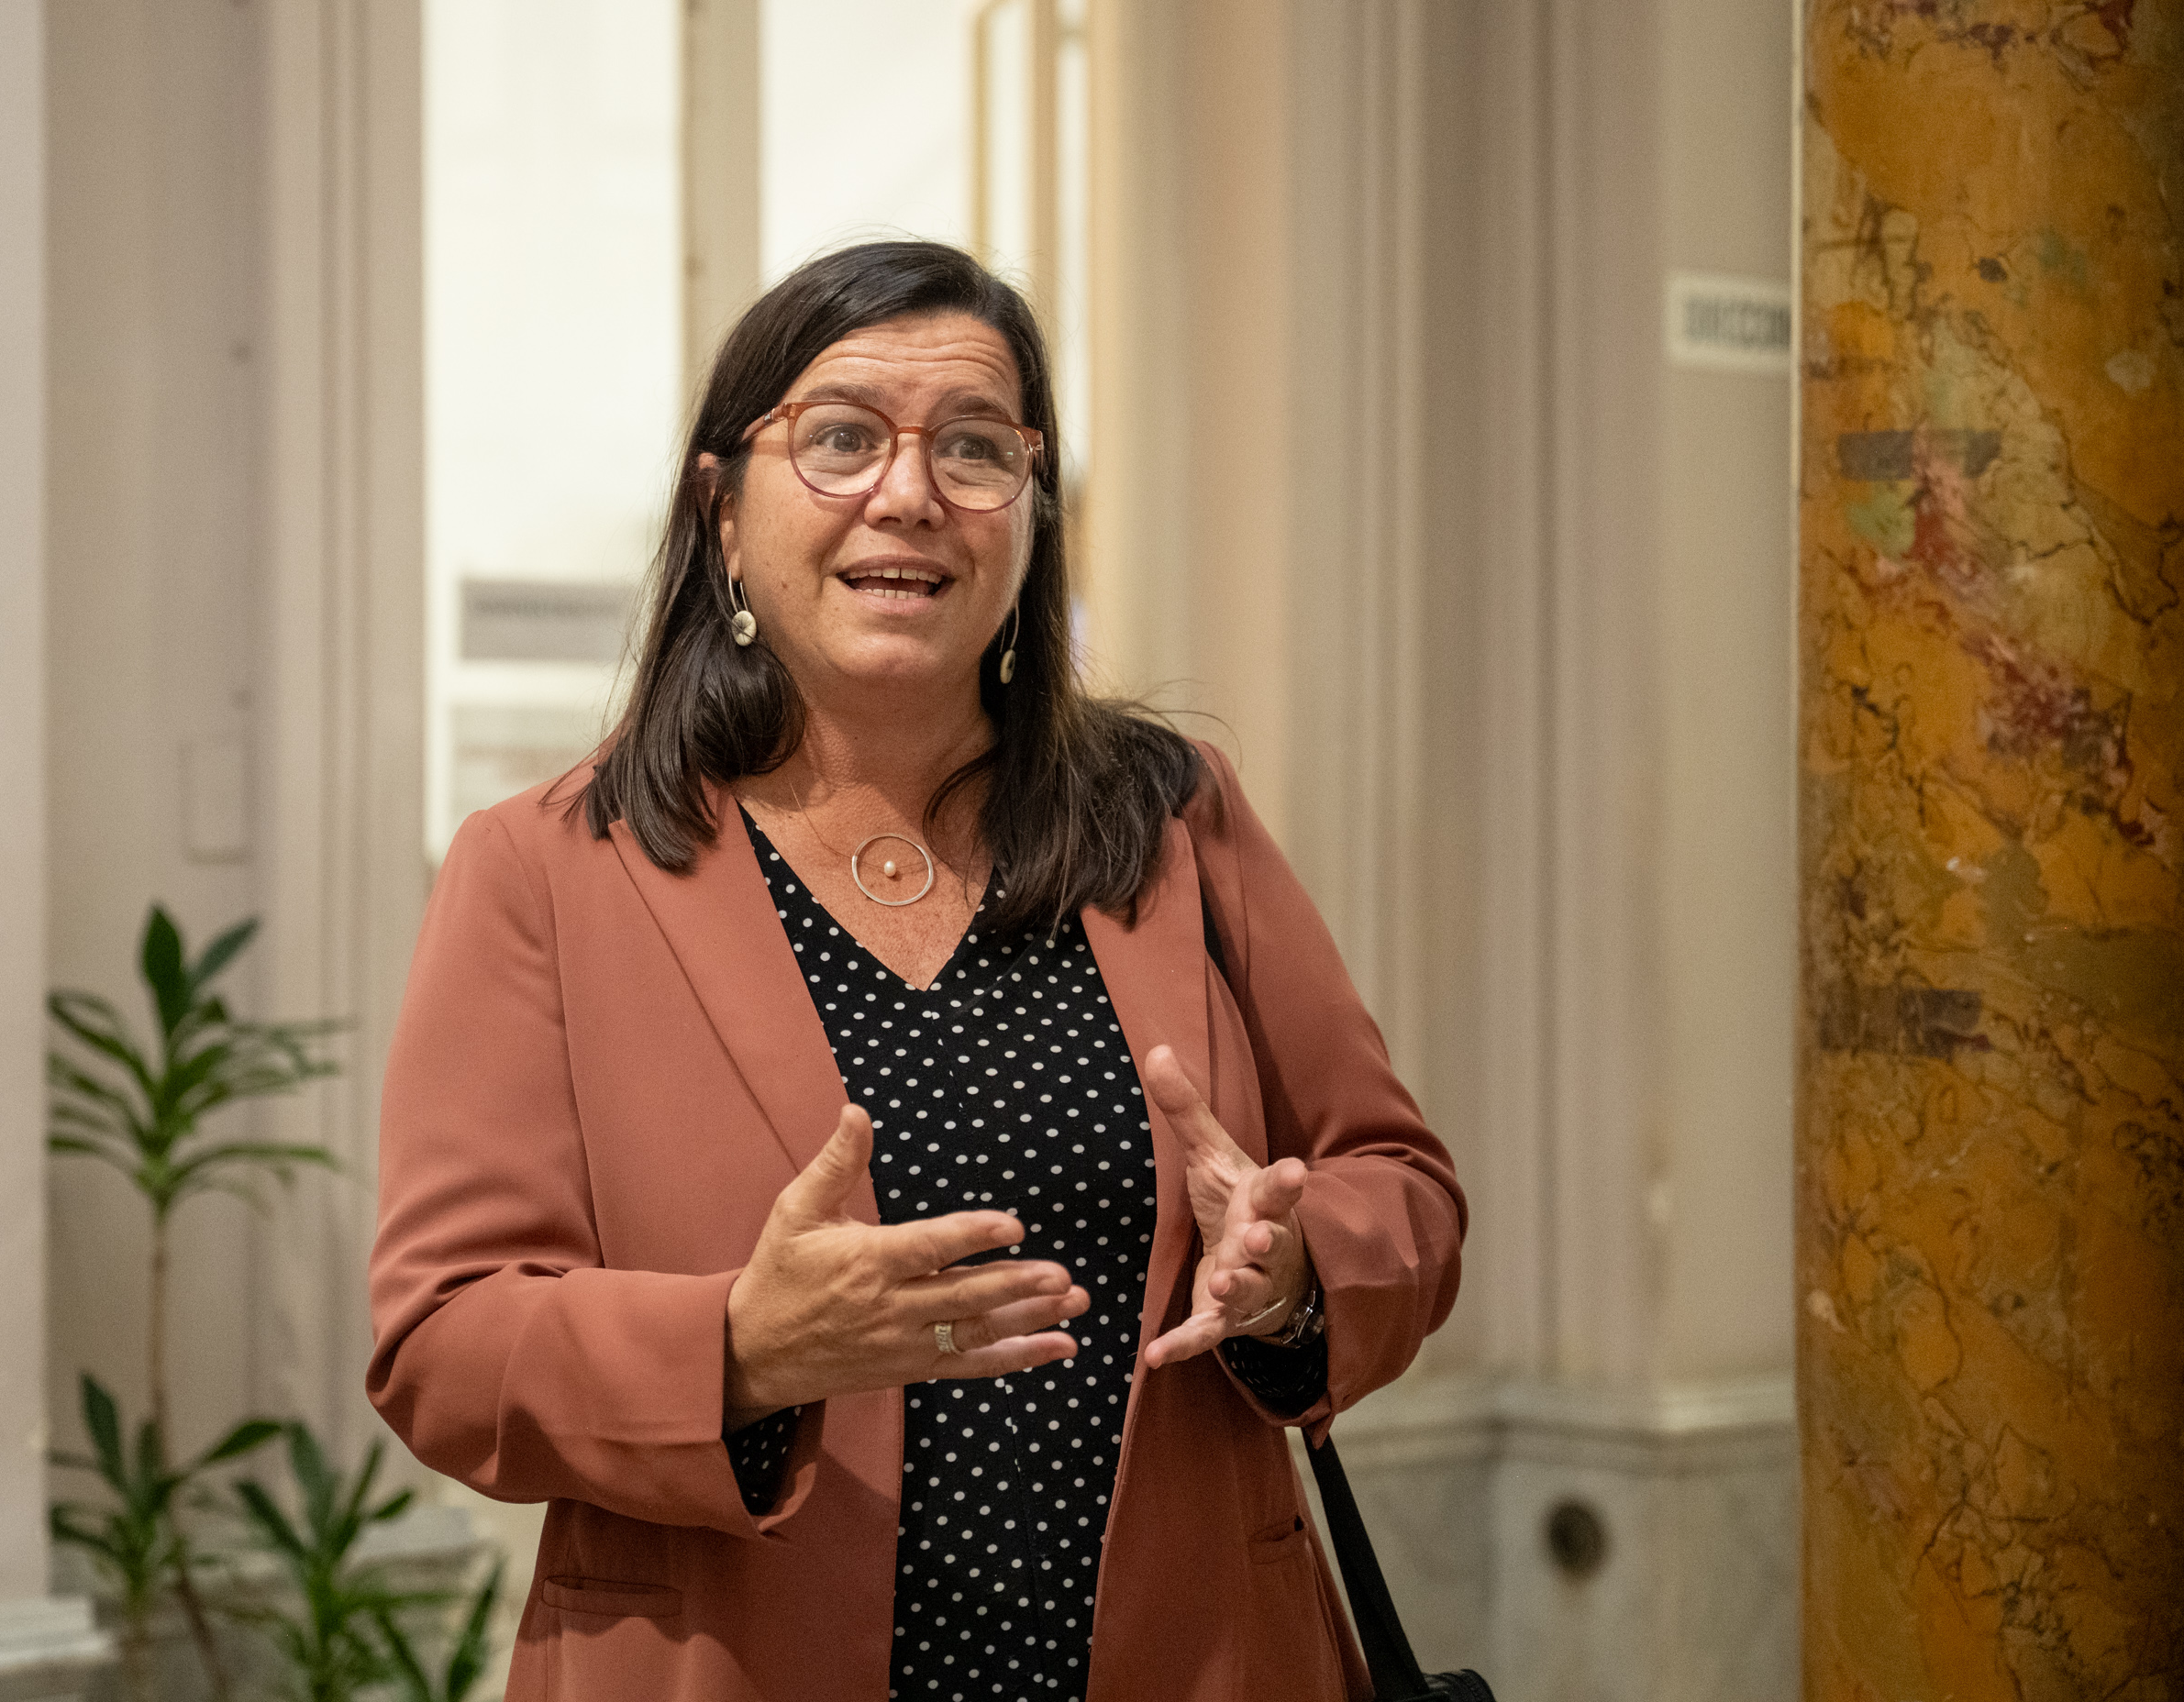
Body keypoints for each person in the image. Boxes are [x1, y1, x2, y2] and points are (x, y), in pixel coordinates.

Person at [368, 241, 1465, 1702]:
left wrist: (1297, 1266)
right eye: (840, 439)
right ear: (723, 512)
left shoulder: (1169, 815)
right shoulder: (550, 867)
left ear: (1031, 514)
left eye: (974, 448)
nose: (910, 494)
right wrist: (738, 1352)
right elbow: (443, 1341)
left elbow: (1401, 1184)